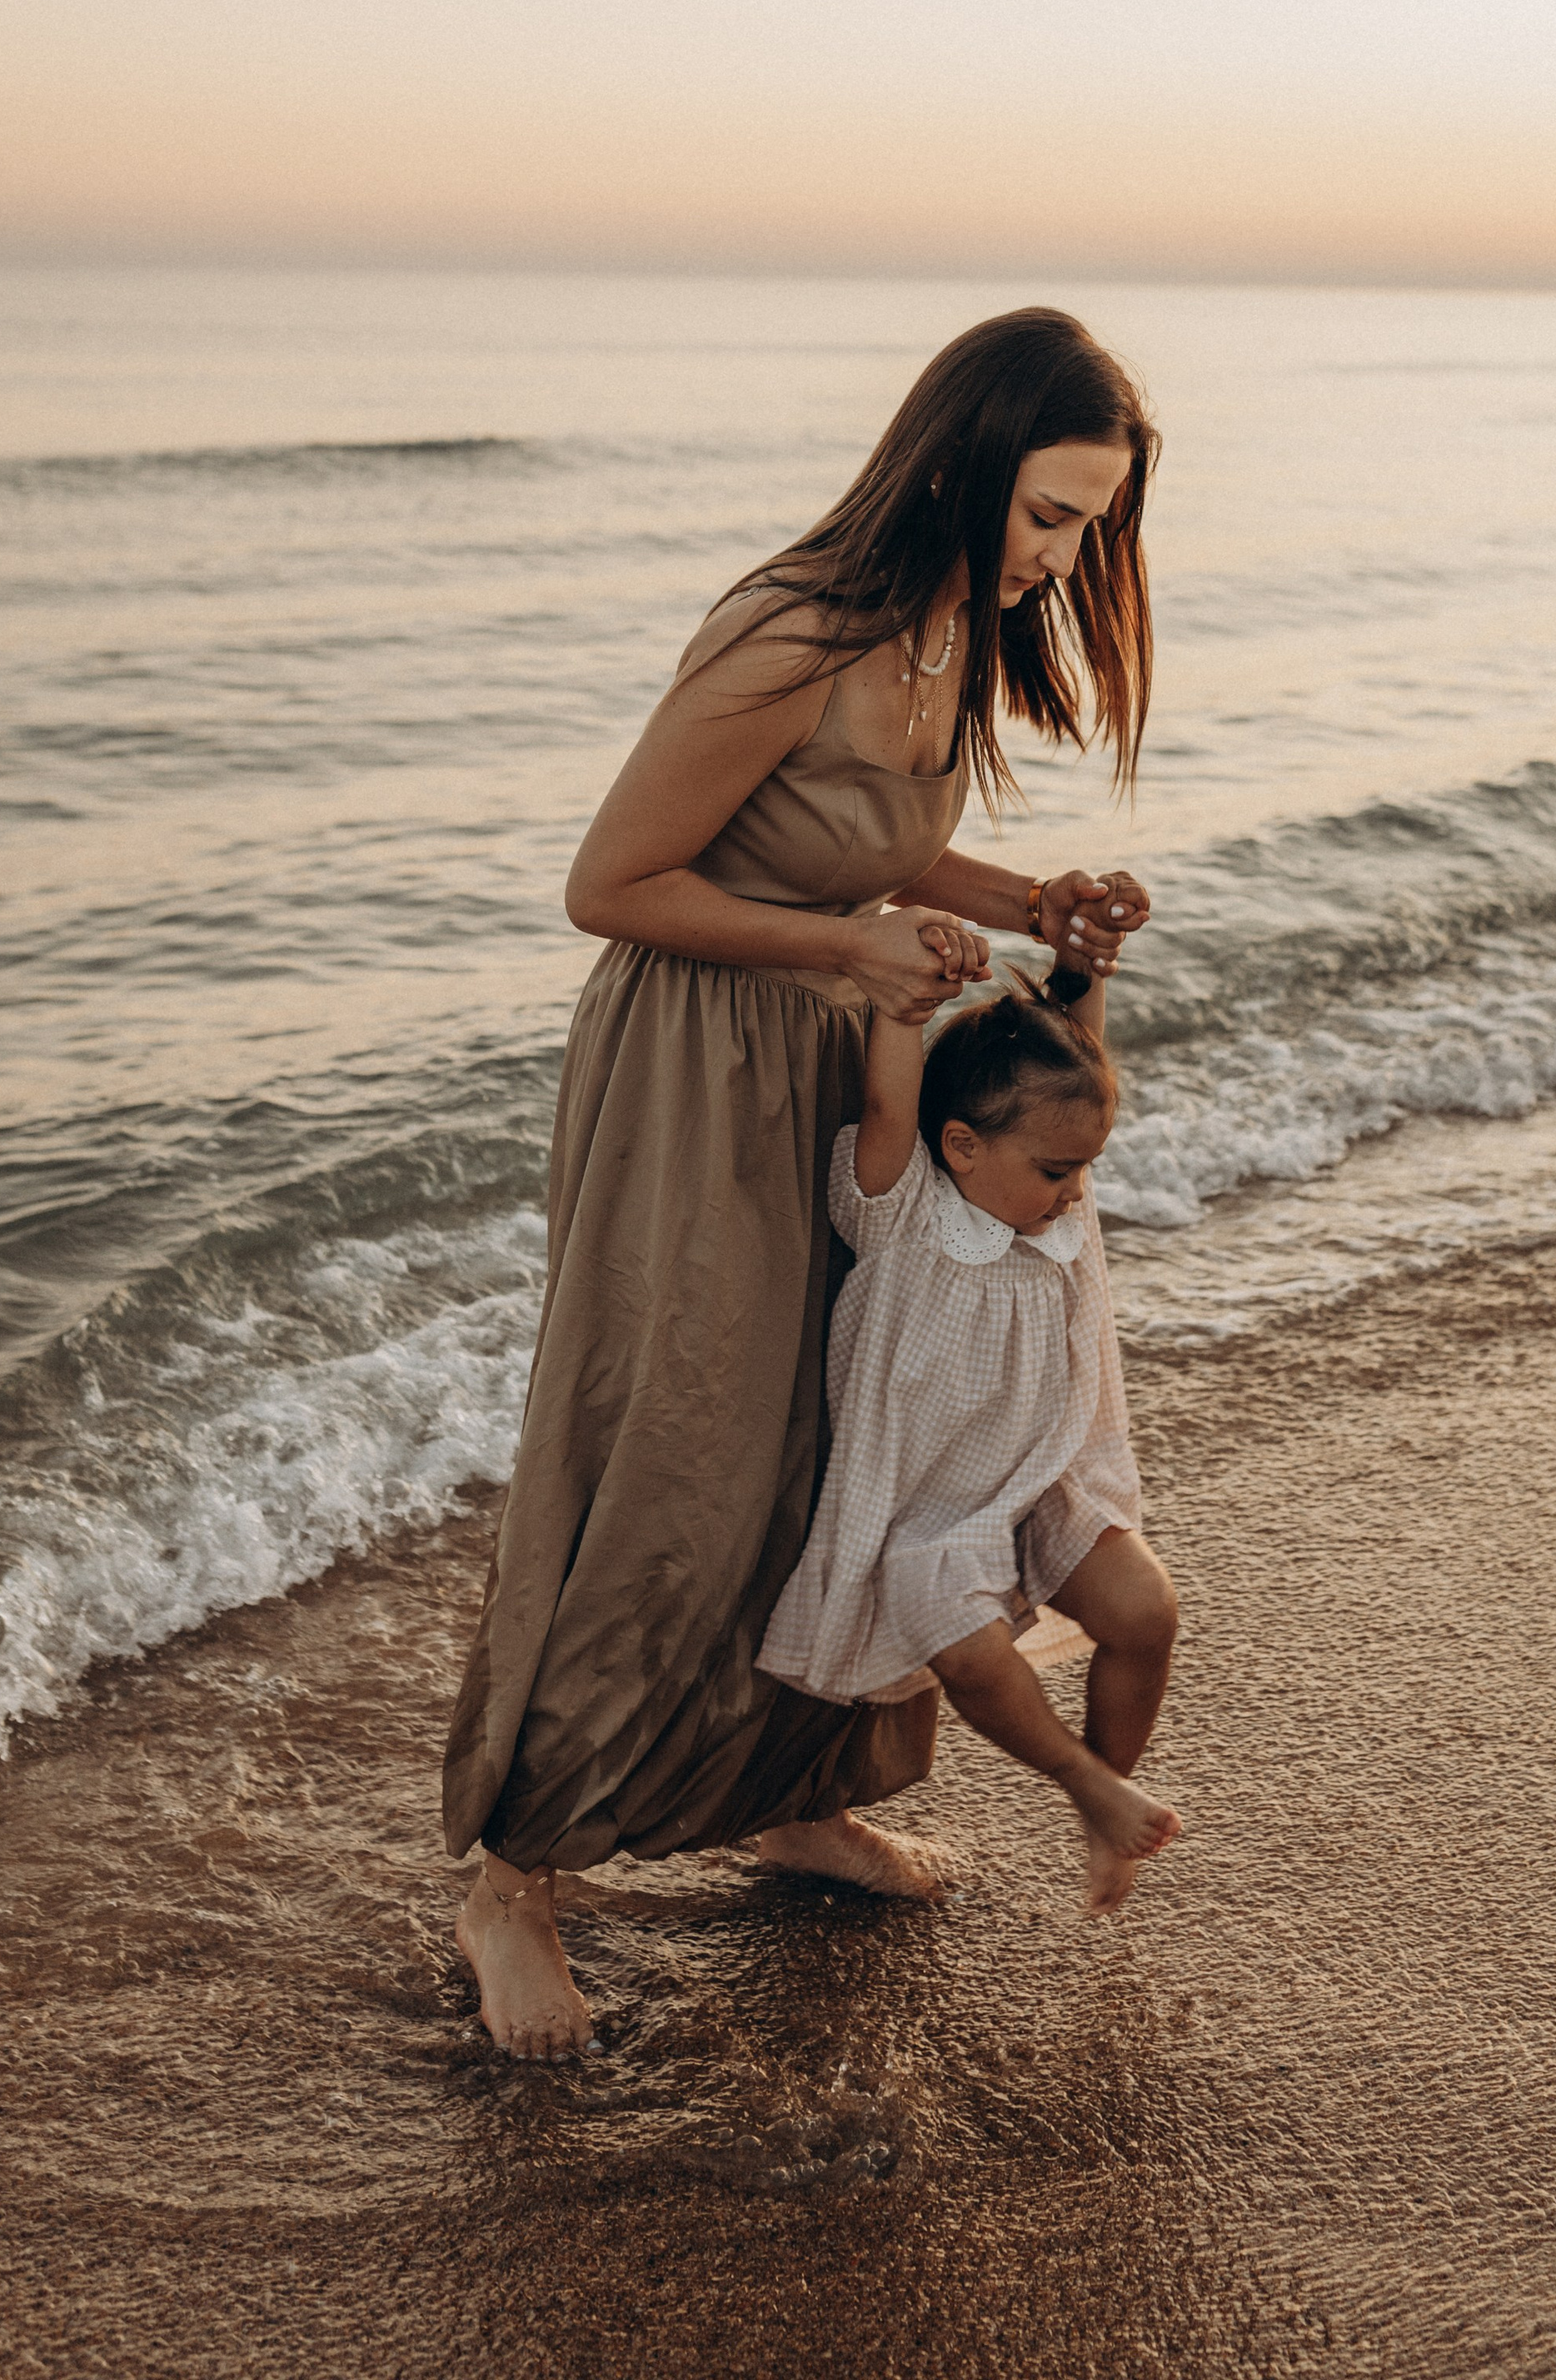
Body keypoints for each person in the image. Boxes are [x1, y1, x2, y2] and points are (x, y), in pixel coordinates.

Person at [444, 306, 1160, 2058]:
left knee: (837, 1445)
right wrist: (841, 953)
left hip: (844, 1058)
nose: (1061, 558)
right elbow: (611, 884)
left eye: (1089, 527)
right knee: (674, 1447)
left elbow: (874, 839)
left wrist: (1018, 908)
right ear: (962, 462)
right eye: (1050, 515)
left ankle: (795, 1795)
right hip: (699, 1073)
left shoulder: (946, 633)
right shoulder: (788, 628)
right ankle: (508, 1876)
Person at [756, 949, 1181, 1918]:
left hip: (1041, 1481)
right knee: (973, 1655)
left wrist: (1086, 956)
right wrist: (902, 1001)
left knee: (1145, 1612)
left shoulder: (1053, 1211)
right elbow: (886, 1100)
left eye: (1084, 1167)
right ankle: (1090, 1787)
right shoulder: (901, 1211)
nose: (1076, 1192)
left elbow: (1075, 1061)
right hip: (924, 1518)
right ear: (959, 1145)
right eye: (1056, 1169)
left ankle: (1103, 1797)